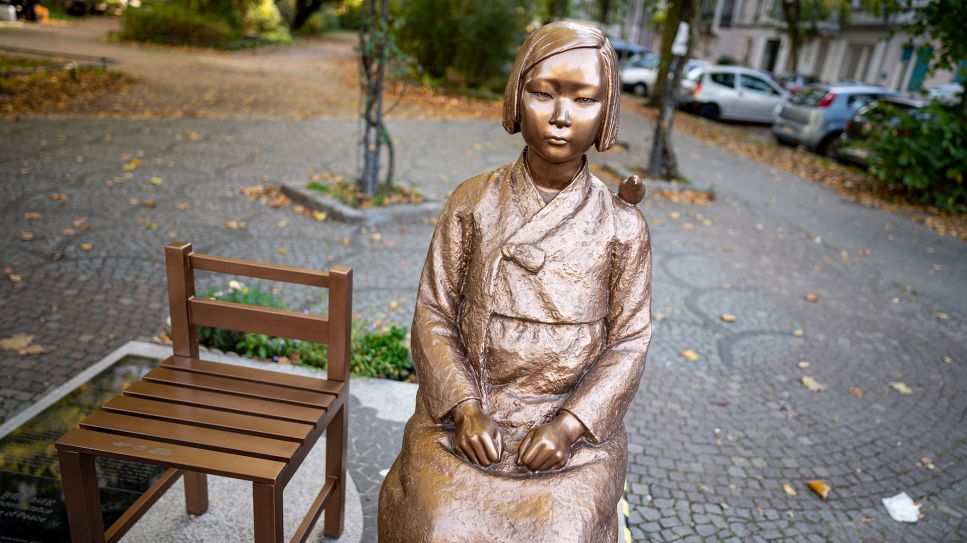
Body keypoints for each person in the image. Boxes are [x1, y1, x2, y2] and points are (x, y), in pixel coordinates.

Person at [378, 20, 652, 542]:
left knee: (564, 532)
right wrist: (463, 409)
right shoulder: (472, 201)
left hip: (572, 437)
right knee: (435, 525)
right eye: (542, 93)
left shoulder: (623, 225)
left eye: (585, 99)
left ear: (607, 111)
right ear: (515, 96)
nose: (560, 117)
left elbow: (630, 340)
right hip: (470, 415)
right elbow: (433, 313)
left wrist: (570, 425)